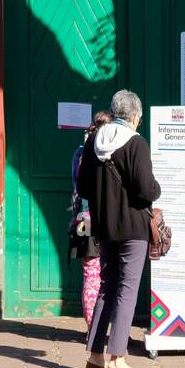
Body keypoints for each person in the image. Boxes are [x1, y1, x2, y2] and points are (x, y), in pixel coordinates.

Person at [76, 89, 161, 368]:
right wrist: (157, 189)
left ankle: (95, 356)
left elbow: (84, 188)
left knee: (106, 287)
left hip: (104, 226)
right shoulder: (136, 143)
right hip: (133, 227)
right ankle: (118, 358)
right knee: (127, 290)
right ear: (135, 116)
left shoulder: (92, 143)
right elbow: (146, 189)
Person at [69, 111, 111, 329]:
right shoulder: (102, 152)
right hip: (100, 220)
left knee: (91, 275)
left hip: (82, 221)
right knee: (103, 276)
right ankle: (96, 329)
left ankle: (90, 327)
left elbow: (75, 181)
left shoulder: (79, 152)